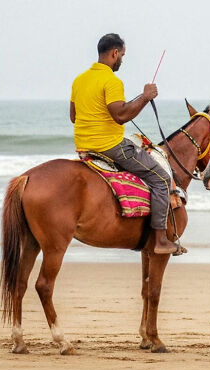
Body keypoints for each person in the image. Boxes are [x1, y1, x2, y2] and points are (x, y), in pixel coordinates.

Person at [70, 33, 183, 255]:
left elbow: (74, 116)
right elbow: (120, 116)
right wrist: (145, 97)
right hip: (110, 147)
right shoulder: (112, 81)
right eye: (122, 54)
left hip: (84, 146)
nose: (122, 59)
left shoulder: (80, 79)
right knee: (162, 178)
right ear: (114, 53)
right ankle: (160, 239)